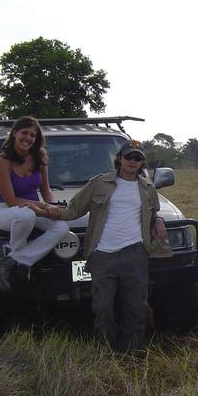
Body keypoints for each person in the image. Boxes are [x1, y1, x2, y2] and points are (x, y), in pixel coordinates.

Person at [32, 139, 171, 353]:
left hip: (135, 253)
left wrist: (159, 221)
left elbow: (153, 213)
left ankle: (131, 353)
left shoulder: (148, 188)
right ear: (119, 159)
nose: (132, 162)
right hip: (102, 255)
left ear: (142, 163)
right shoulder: (99, 183)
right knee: (103, 308)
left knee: (135, 308)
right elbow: (73, 210)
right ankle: (108, 351)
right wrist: (41, 210)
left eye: (137, 159)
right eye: (128, 157)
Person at [0, 116, 69, 291]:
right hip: (7, 210)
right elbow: (11, 200)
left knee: (62, 227)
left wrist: (53, 208)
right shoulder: (2, 160)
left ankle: (14, 260)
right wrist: (43, 207)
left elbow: (45, 189)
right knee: (26, 215)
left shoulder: (40, 155)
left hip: (34, 209)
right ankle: (19, 262)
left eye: (33, 135)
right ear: (14, 133)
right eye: (24, 133)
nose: (28, 138)